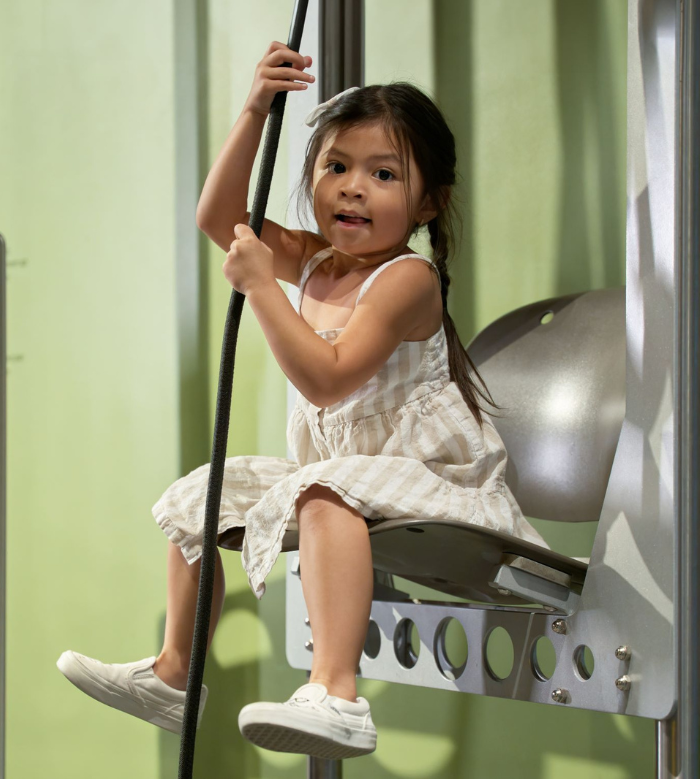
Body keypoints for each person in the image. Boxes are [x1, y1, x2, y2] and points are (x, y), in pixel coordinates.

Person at [53, 44, 546, 760]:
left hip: (429, 477)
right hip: (348, 479)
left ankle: (337, 695)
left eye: (383, 175)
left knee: (321, 489)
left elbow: (328, 377)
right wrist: (256, 106)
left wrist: (260, 288)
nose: (352, 189)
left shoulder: (410, 280)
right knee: (201, 496)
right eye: (335, 167)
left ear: (428, 202)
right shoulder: (318, 260)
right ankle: (173, 675)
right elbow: (220, 218)